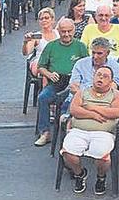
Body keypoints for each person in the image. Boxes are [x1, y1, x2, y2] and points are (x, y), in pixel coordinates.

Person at [62, 64, 119, 195]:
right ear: (93, 77)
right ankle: (80, 174)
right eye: (98, 75)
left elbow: (116, 113)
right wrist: (93, 115)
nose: (100, 78)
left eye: (105, 76)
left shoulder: (117, 95)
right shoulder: (82, 92)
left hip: (104, 133)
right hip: (79, 131)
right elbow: (74, 110)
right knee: (68, 152)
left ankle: (101, 177)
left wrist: (91, 107)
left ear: (111, 81)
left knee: (102, 156)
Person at [34, 18, 88, 147]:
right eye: (63, 31)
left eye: (69, 31)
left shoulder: (80, 46)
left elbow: (86, 66)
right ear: (58, 31)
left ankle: (67, 133)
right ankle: (45, 132)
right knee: (42, 98)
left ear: (74, 31)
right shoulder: (51, 46)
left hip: (73, 82)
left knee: (67, 103)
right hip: (56, 81)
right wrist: (49, 74)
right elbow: (41, 67)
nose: (66, 34)